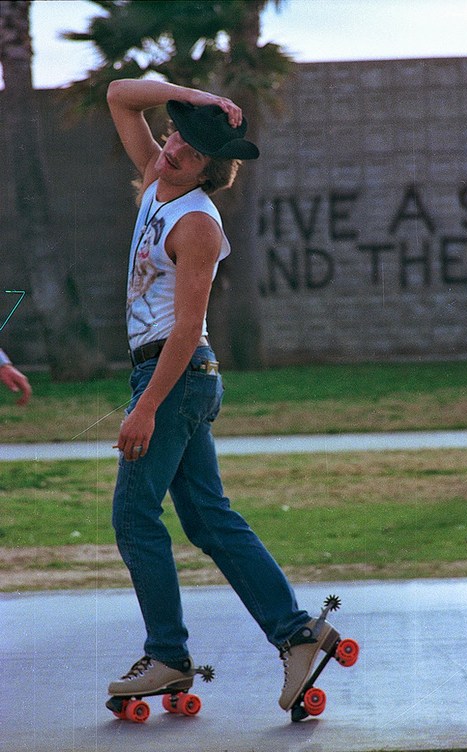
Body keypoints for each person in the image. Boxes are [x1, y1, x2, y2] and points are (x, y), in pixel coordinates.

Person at [106, 78, 337, 713]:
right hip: (173, 379)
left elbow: (185, 330)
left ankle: (168, 656)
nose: (173, 146)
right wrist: (198, 96)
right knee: (209, 520)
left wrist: (146, 407)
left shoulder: (198, 225)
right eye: (176, 132)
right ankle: (297, 635)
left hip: (175, 379)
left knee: (133, 516)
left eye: (192, 147)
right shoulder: (156, 179)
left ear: (210, 171)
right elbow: (120, 95)